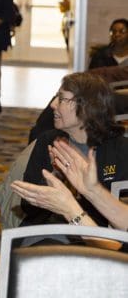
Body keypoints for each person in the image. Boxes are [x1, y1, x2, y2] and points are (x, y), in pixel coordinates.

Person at [18, 72, 127, 227]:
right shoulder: (49, 141)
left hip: (102, 238)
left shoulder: (120, 149)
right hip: (50, 231)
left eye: (61, 99)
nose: (53, 104)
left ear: (87, 107)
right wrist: (55, 176)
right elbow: (28, 208)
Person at [12, 138, 128, 230]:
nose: (53, 106)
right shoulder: (49, 137)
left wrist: (70, 210)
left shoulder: (119, 147)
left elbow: (109, 252)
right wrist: (92, 190)